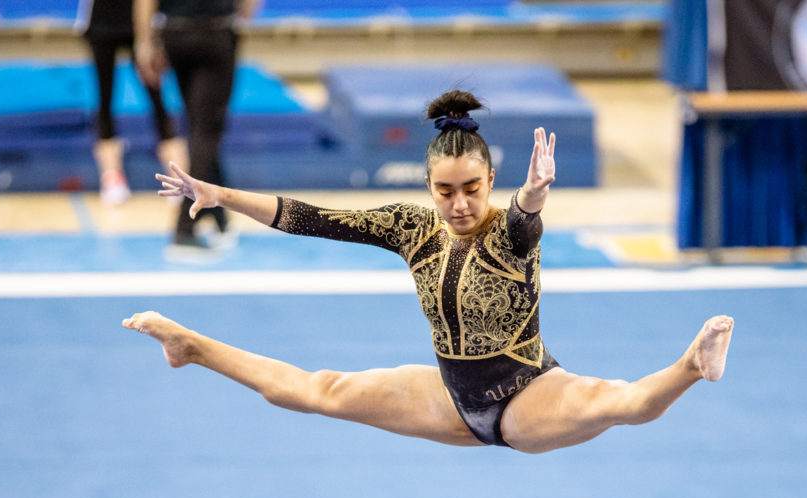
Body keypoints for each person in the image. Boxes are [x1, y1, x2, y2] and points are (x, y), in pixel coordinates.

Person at [123, 90, 733, 454]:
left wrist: (534, 194)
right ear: (428, 186)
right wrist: (221, 196)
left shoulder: (509, 232)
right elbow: (309, 218)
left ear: (490, 181)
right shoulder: (410, 228)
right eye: (446, 191)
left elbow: (525, 218)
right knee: (312, 391)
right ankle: (190, 346)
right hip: (449, 397)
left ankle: (691, 364)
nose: (460, 204)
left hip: (526, 395)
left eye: (472, 188)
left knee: (620, 403)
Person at [134, 0, 258, 254]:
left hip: (175, 33)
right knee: (206, 130)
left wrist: (144, 42)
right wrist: (244, 14)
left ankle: (220, 216)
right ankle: (185, 226)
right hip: (215, 32)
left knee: (199, 124)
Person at [76, 0, 187, 205]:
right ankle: (111, 177)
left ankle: (178, 176)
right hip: (101, 21)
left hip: (139, 22)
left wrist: (149, 34)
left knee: (156, 96)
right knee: (105, 98)